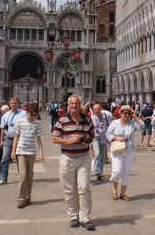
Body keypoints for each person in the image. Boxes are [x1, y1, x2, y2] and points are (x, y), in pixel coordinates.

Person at [52, 95, 95, 231]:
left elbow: (92, 135)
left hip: (83, 157)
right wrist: (68, 141)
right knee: (69, 189)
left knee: (84, 188)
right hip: (67, 158)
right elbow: (54, 138)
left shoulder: (87, 119)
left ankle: (85, 217)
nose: (74, 106)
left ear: (80, 104)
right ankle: (73, 216)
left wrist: (84, 138)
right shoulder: (62, 120)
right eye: (71, 104)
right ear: (68, 105)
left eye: (76, 104)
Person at [106, 105, 144, 200]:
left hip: (129, 150)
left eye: (128, 113)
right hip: (117, 150)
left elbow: (142, 126)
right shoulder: (115, 123)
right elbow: (108, 134)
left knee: (126, 171)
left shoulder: (132, 123)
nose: (127, 115)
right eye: (124, 113)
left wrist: (135, 116)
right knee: (117, 171)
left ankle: (123, 193)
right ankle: (114, 189)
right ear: (120, 113)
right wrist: (117, 138)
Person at [11, 103, 44, 208]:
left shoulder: (37, 123)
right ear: (27, 112)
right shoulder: (20, 122)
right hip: (21, 151)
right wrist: (13, 151)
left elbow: (39, 139)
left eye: (35, 114)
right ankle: (20, 198)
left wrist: (41, 153)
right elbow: (16, 137)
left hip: (32, 152)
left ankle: (27, 196)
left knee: (30, 175)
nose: (33, 116)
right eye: (31, 114)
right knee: (23, 175)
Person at [0, 97, 27, 185]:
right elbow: (2, 128)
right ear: (9, 104)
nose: (14, 104)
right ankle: (2, 178)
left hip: (20, 139)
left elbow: (26, 126)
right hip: (8, 139)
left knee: (20, 160)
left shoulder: (23, 113)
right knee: (4, 158)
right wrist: (1, 140)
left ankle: (22, 177)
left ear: (18, 104)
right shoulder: (5, 115)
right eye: (12, 103)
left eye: (15, 103)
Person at [91, 103, 111, 180]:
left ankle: (100, 172)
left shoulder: (106, 116)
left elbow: (110, 126)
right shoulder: (91, 117)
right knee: (97, 153)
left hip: (104, 138)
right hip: (95, 138)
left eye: (98, 108)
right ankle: (97, 171)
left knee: (102, 155)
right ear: (93, 110)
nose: (97, 110)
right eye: (95, 109)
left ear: (101, 108)